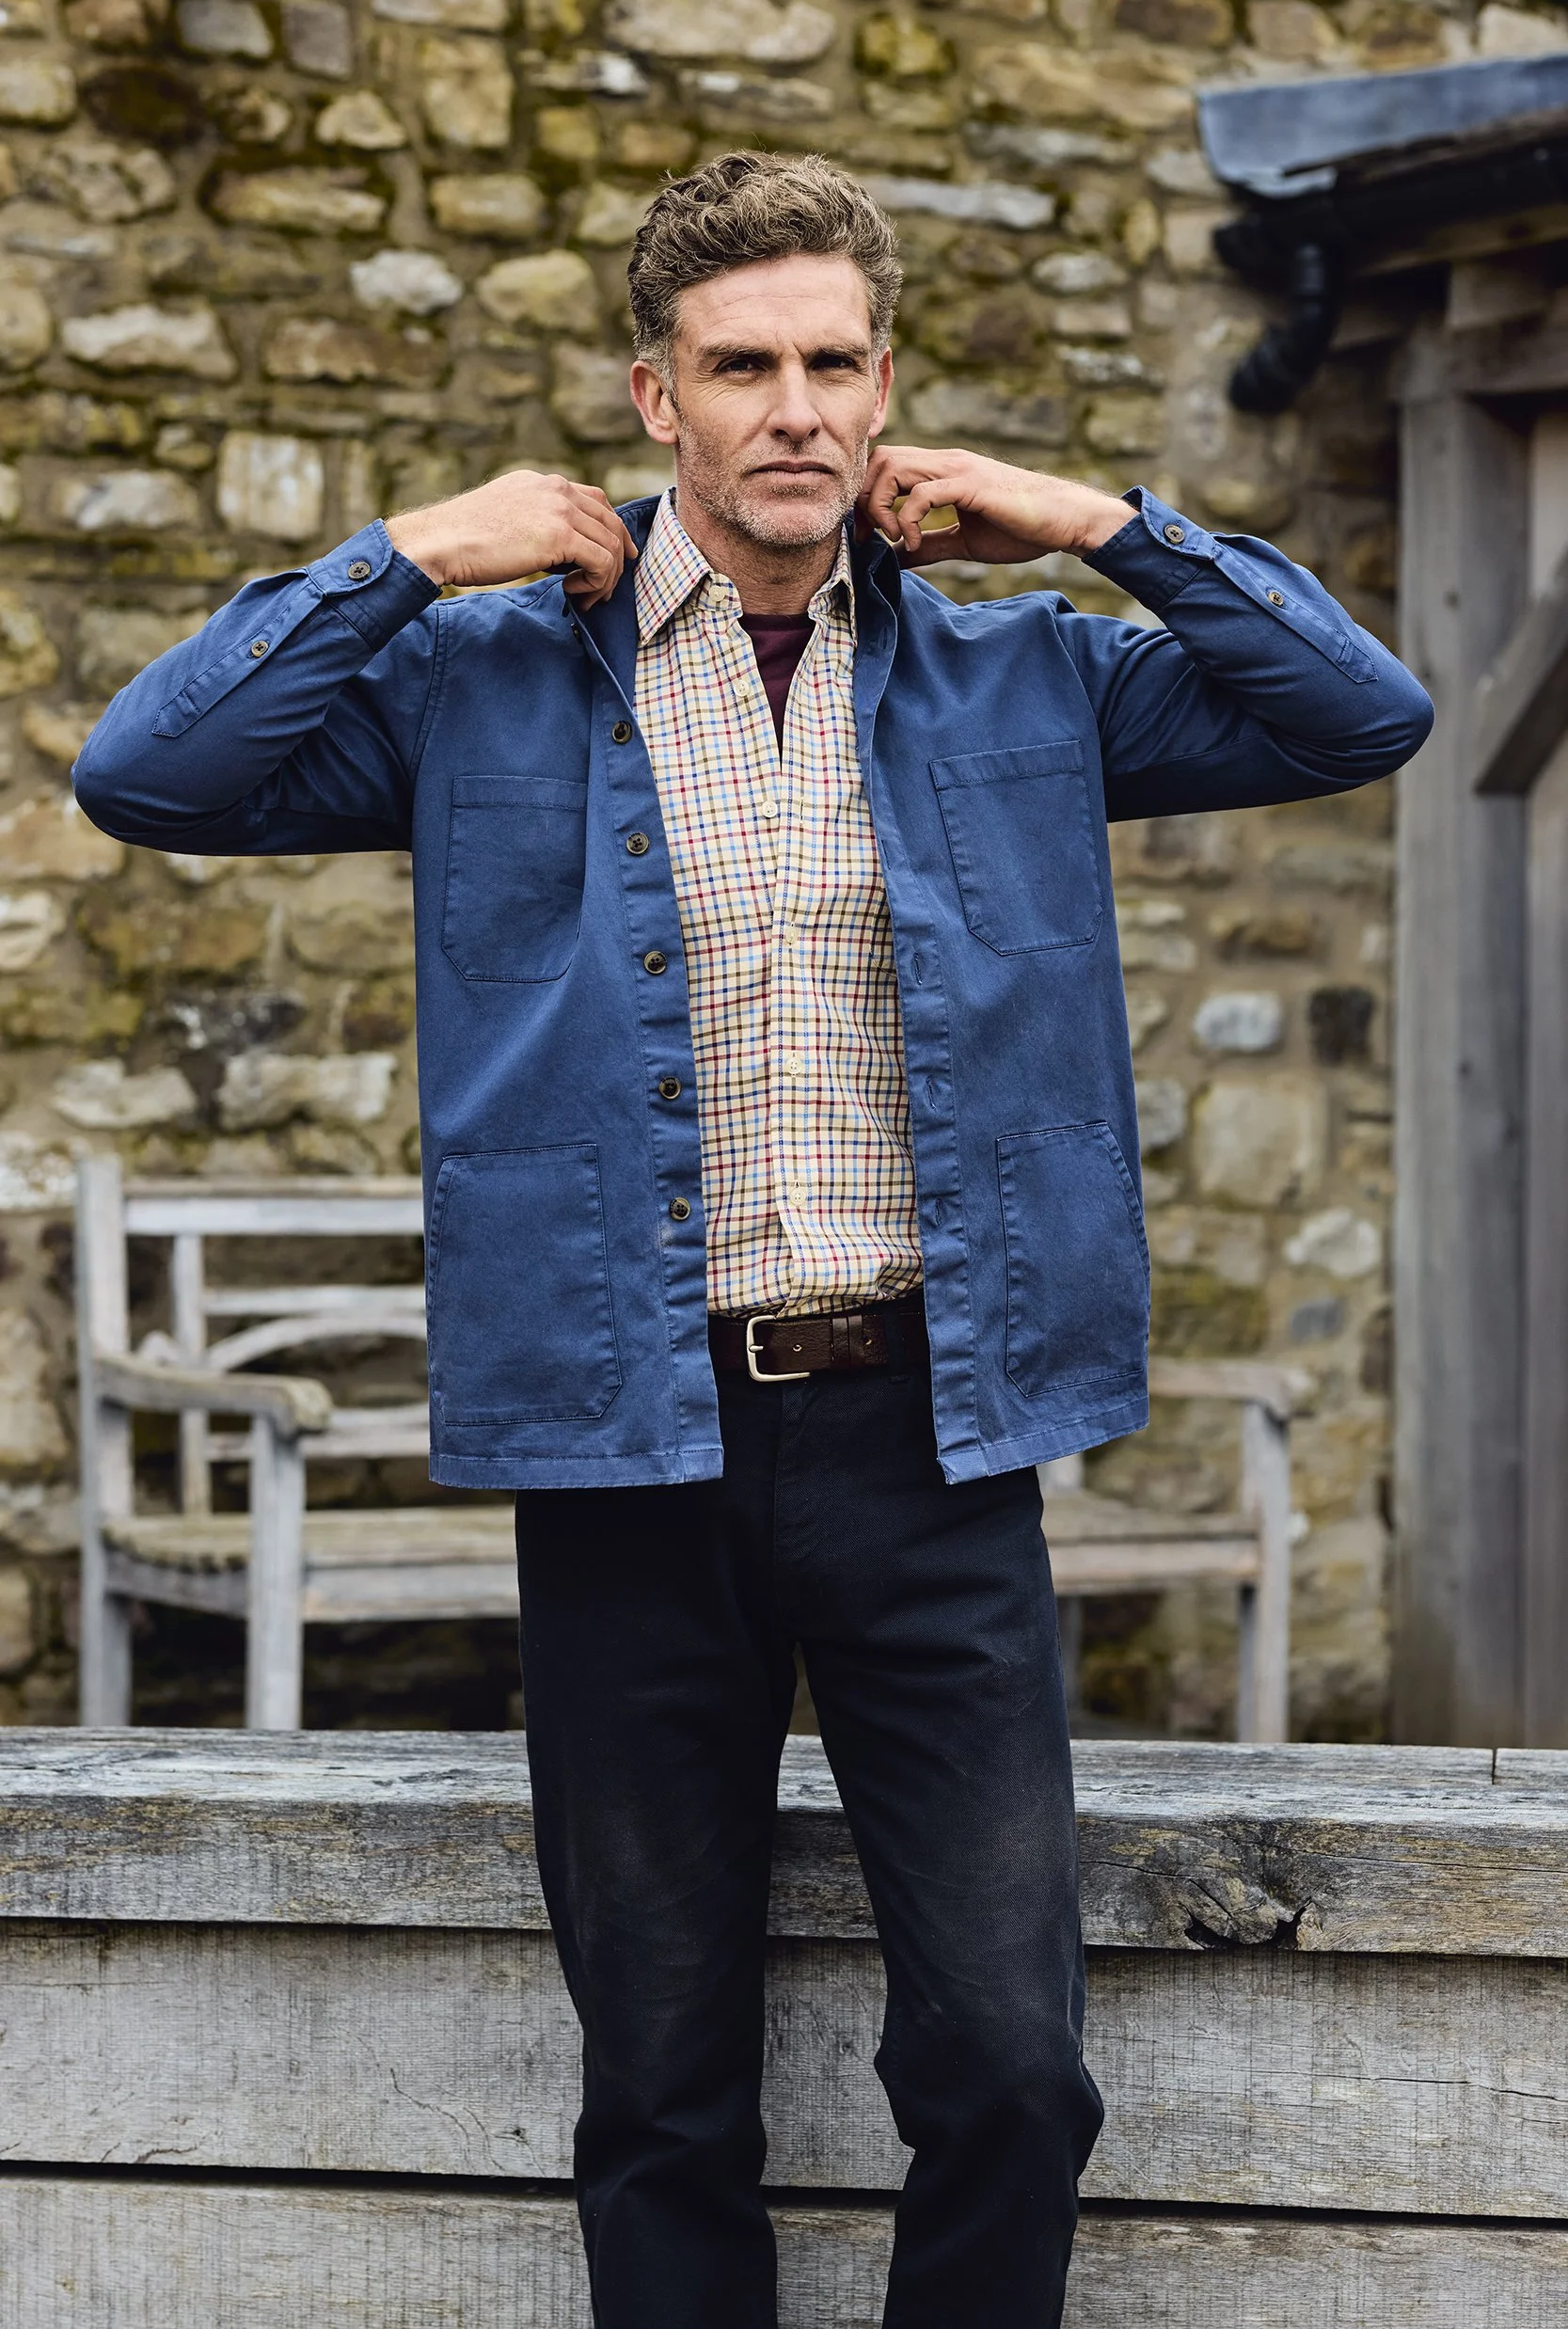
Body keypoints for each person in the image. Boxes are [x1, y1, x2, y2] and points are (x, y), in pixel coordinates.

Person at [74, 151, 1433, 2329]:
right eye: (740, 365)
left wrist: (1095, 522)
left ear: (885, 388)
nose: (791, 406)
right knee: (661, 2085)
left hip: (931, 1436)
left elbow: (1362, 711)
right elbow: (145, 768)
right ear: (653, 398)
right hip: (631, 1439)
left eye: (830, 361)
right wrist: (413, 550)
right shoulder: (487, 681)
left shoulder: (1028, 687)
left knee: (1006, 2062)